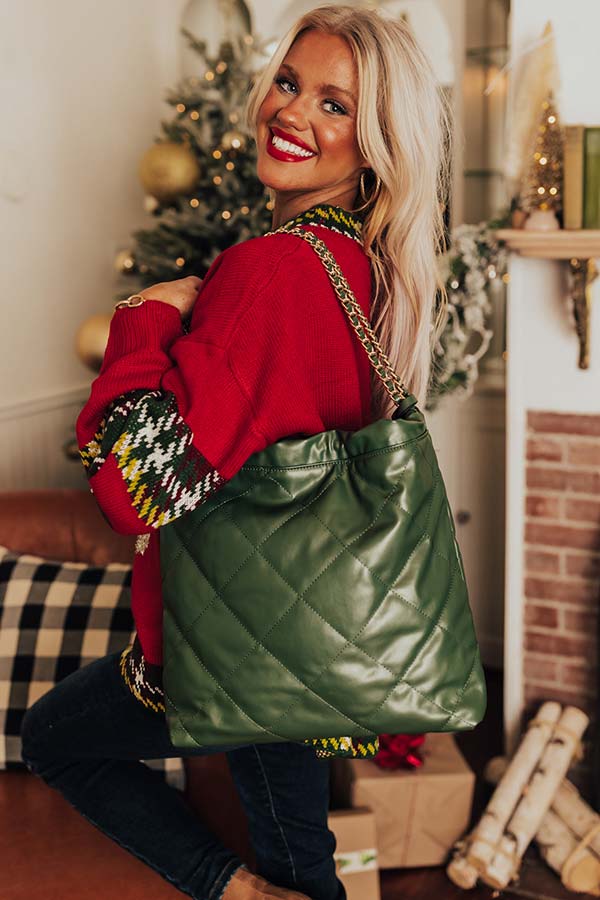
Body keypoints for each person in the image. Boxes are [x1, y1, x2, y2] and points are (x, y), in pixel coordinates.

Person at [20, 5, 451, 899]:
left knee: (58, 740)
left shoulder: (275, 271)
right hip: (303, 632)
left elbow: (135, 489)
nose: (291, 112)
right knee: (302, 864)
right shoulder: (366, 271)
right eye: (289, 83)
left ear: (374, 145)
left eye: (335, 104)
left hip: (235, 638)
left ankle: (232, 890)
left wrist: (142, 320)